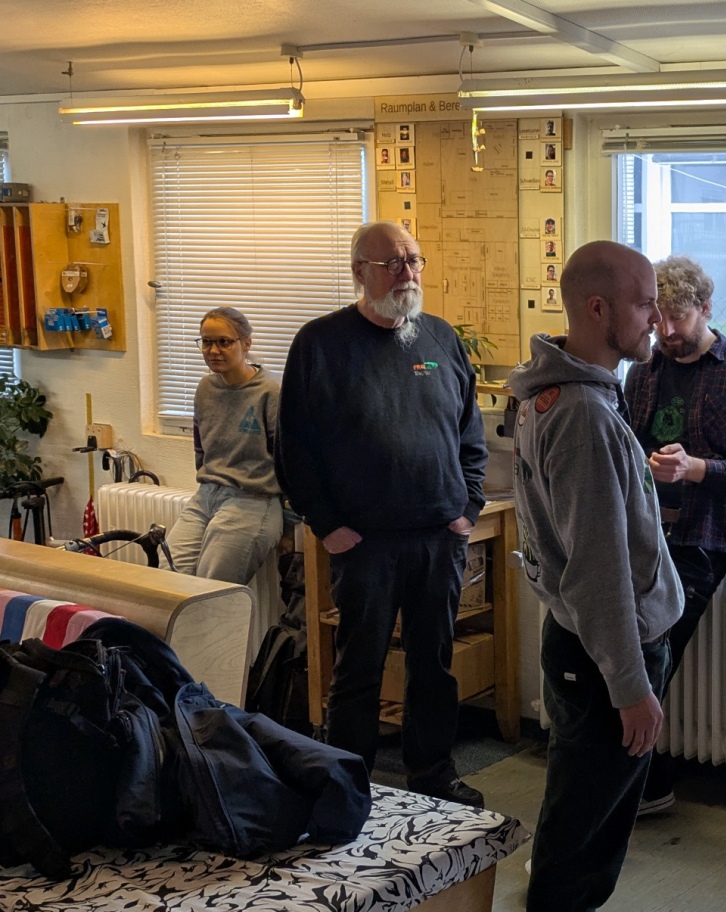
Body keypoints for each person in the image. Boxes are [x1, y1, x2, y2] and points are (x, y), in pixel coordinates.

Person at [508, 240, 686, 912]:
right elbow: (598, 569)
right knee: (574, 846)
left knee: (595, 833)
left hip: (597, 645)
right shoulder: (578, 413)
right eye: (645, 303)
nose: (657, 318)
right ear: (596, 309)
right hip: (603, 653)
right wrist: (629, 684)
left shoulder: (571, 395)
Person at [276, 221, 488, 806]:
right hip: (364, 542)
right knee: (359, 668)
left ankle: (434, 776)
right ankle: (348, 783)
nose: (407, 274)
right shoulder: (320, 343)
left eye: (414, 260)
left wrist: (468, 506)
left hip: (439, 536)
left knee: (434, 666)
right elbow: (294, 447)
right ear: (359, 272)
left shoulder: (440, 338)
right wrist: (327, 525)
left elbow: (469, 432)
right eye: (392, 263)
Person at [625, 255, 726, 814]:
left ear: (707, 309)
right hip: (641, 532)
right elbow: (625, 445)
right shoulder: (643, 370)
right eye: (658, 318)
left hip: (700, 540)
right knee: (624, 655)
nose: (666, 332)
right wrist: (643, 463)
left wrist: (695, 469)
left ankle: (636, 785)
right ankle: (639, 779)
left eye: (679, 318)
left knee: (650, 659)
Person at [166, 307, 283, 585]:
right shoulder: (205, 388)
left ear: (246, 343)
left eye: (224, 342)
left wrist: (290, 523)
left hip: (253, 499)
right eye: (206, 342)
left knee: (211, 589)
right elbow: (201, 451)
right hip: (207, 495)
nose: (213, 351)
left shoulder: (271, 392)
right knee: (167, 577)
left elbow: (290, 462)